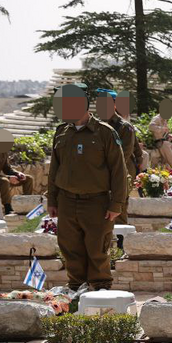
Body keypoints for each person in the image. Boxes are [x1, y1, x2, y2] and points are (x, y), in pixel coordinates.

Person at [46, 84, 128, 291]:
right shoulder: (61, 132)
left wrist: (116, 204)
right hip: (66, 201)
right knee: (70, 249)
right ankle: (76, 291)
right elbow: (55, 169)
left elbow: (118, 171)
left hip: (96, 203)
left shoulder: (105, 132)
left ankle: (100, 291)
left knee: (97, 250)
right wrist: (52, 200)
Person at [96, 89, 141, 226]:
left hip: (121, 173)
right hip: (102, 175)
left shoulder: (124, 127)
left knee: (118, 212)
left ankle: (120, 239)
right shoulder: (96, 126)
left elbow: (124, 155)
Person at [0, 129, 34, 214]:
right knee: (4, 181)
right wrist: (8, 177)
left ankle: (26, 205)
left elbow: (7, 169)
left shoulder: (3, 151)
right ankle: (8, 209)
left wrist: (17, 173)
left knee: (28, 179)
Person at [147, 99, 172, 168]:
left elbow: (165, 133)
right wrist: (162, 128)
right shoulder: (157, 118)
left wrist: (170, 135)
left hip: (166, 142)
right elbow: (151, 127)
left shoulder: (165, 120)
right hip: (161, 143)